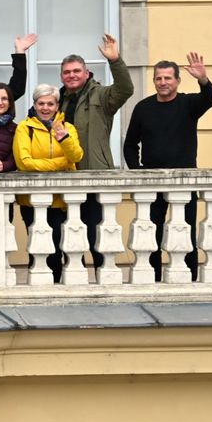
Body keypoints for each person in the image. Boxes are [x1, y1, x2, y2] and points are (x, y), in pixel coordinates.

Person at [123, 52, 212, 281]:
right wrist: (139, 173)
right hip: (152, 183)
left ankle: (189, 278)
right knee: (151, 234)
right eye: (158, 78)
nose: (163, 82)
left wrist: (203, 79)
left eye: (167, 78)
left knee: (185, 232)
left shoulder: (189, 104)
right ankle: (152, 278)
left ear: (177, 80)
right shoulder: (143, 108)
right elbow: (130, 145)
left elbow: (210, 99)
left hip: (184, 182)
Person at [60, 33, 135, 270]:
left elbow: (125, 89)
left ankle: (104, 275)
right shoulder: (58, 99)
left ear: (87, 73)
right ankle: (75, 276)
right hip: (66, 174)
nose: (72, 75)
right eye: (67, 72)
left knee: (96, 233)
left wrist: (115, 61)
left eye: (76, 71)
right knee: (70, 234)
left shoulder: (101, 95)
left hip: (95, 172)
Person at [14, 84, 84, 282]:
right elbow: (24, 163)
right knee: (38, 248)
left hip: (62, 201)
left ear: (57, 106)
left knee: (61, 247)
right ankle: (39, 287)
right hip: (31, 200)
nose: (45, 108)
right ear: (35, 105)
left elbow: (77, 156)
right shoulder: (24, 128)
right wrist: (62, 163)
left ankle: (60, 288)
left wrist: (64, 139)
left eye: (50, 104)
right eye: (41, 103)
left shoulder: (68, 127)